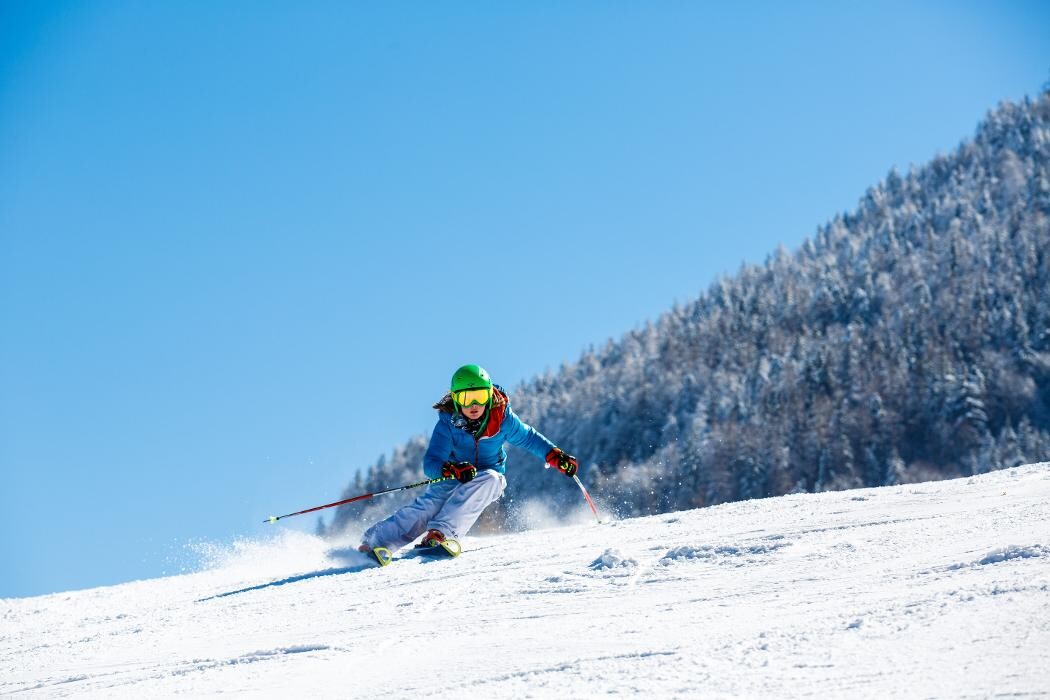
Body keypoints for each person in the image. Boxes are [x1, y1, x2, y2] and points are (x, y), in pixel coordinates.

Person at [358, 364, 578, 555]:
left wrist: (554, 456)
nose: (474, 405)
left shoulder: (502, 419)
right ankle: (375, 541)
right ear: (455, 399)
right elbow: (431, 462)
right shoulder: (448, 423)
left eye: (480, 397)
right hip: (455, 475)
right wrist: (450, 469)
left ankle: (440, 534)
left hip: (488, 476)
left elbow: (529, 437)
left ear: (489, 395)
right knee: (428, 506)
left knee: (492, 479)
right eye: (466, 398)